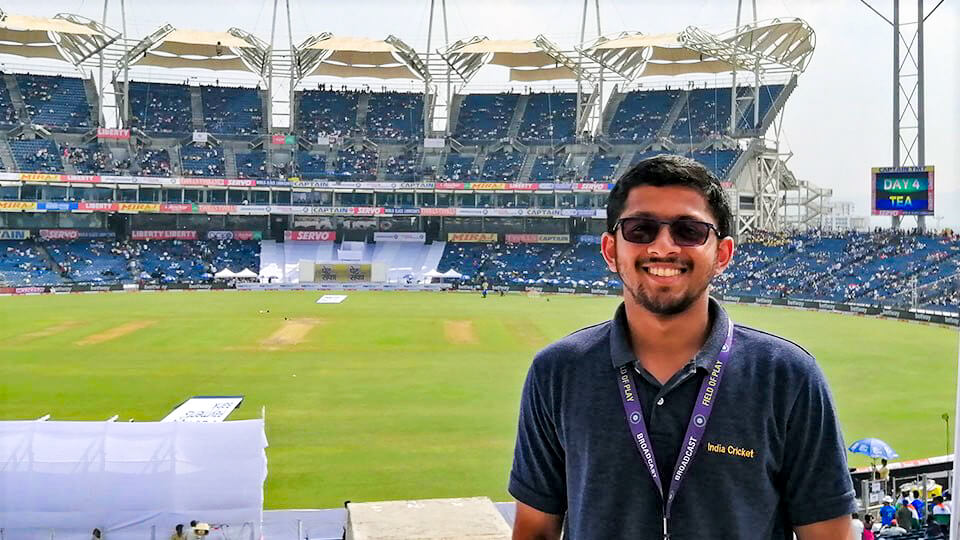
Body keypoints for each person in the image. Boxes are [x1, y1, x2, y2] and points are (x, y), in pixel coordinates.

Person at [509, 155, 856, 540]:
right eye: (640, 229)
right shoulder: (557, 372)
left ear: (722, 254)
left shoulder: (788, 376)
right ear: (610, 250)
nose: (663, 247)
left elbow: (828, 534)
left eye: (688, 231)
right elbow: (535, 530)